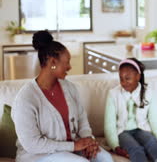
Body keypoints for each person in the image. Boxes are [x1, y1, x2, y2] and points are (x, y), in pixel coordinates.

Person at [12, 30, 113, 162]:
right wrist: (73, 146)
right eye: (67, 62)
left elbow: (82, 121)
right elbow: (32, 144)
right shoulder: (26, 98)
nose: (70, 67)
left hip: (69, 149)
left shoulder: (70, 88)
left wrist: (89, 141)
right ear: (53, 62)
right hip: (38, 155)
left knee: (105, 158)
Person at [104, 58, 157, 162]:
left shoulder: (148, 93)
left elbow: (154, 118)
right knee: (135, 148)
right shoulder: (113, 94)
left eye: (127, 78)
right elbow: (109, 124)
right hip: (122, 131)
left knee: (152, 142)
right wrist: (114, 145)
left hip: (142, 129)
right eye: (121, 79)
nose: (124, 83)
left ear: (138, 76)